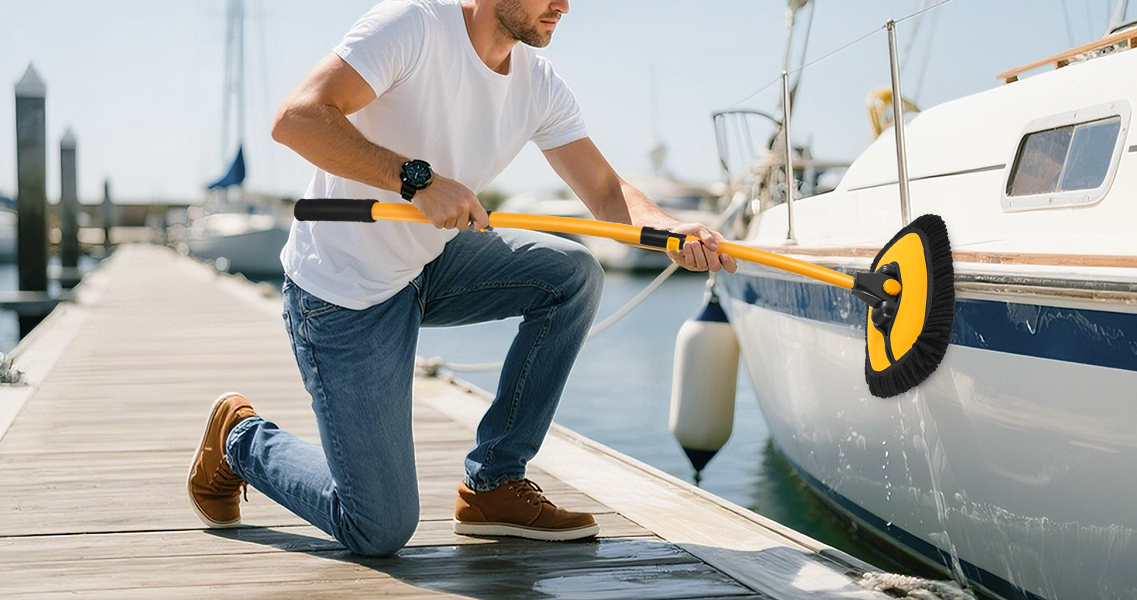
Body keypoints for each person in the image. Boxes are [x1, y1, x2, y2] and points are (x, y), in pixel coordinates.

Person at [186, 0, 737, 556]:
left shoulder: (538, 84)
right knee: (378, 529)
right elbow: (297, 119)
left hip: (428, 265)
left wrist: (669, 230)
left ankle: (494, 484)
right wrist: (417, 181)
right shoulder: (413, 26)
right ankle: (239, 439)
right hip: (342, 292)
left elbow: (607, 194)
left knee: (573, 275)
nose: (564, 6)